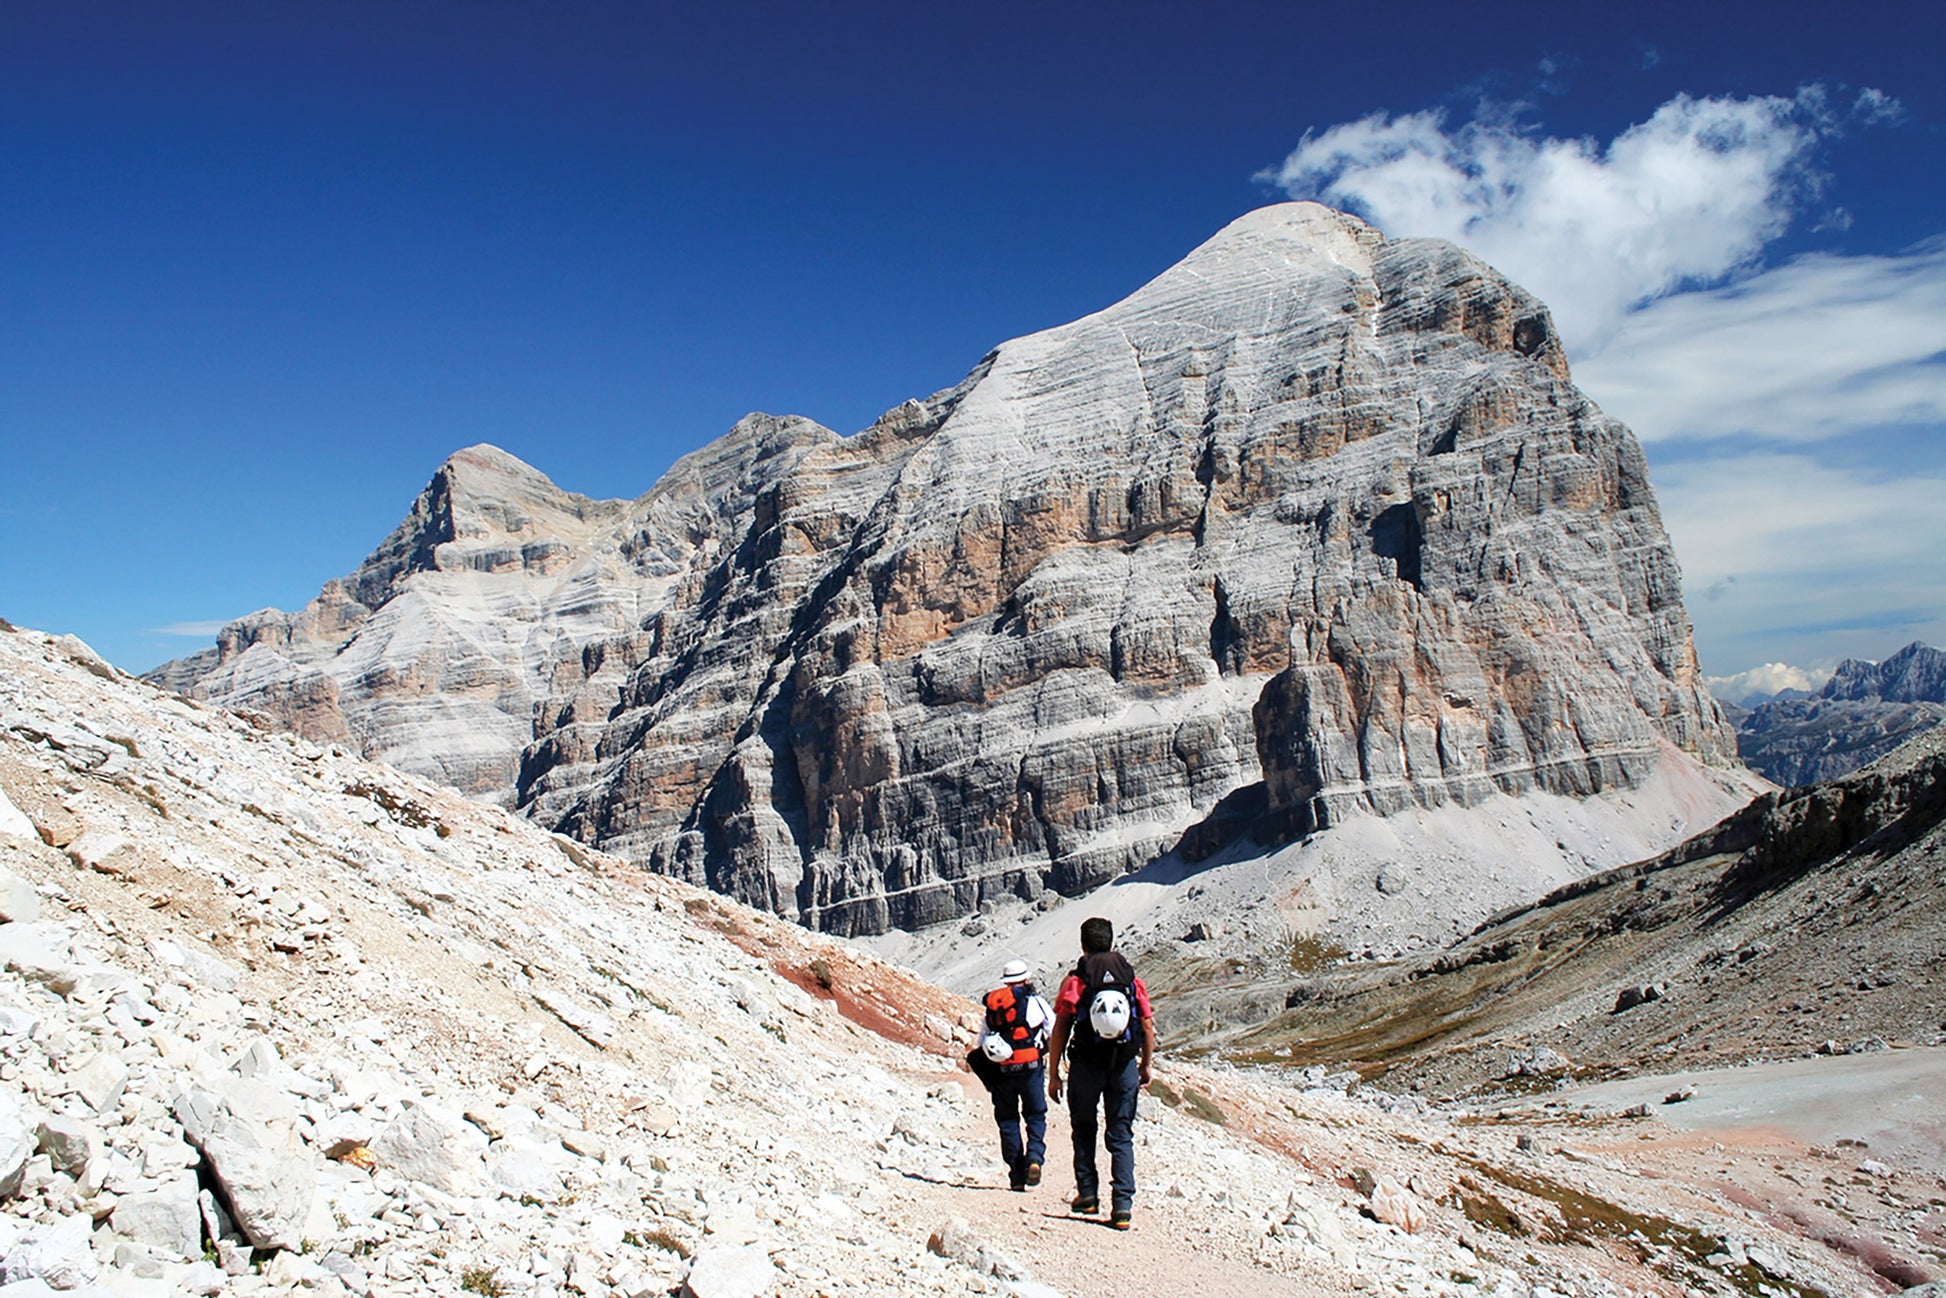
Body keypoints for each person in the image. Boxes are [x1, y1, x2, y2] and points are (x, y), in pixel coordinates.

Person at [1047, 917, 1155, 1230]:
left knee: (1083, 1128)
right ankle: (1122, 1207)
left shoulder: (1077, 980)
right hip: (1123, 1064)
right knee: (1121, 1134)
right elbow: (1146, 1024)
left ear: (1083, 945)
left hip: (1085, 1066)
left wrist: (1053, 1073)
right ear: (1110, 942)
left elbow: (1061, 1029)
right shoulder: (1130, 979)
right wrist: (1145, 1064)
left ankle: (1088, 1195)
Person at [970, 959, 1052, 1191]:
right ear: (1025, 980)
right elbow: (1052, 1029)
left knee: (1007, 1119)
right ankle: (1035, 1157)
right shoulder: (1036, 1002)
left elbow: (982, 1040)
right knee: (1035, 1114)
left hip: (1003, 1070)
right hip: (1031, 1066)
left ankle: (1016, 1174)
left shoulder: (995, 1007)